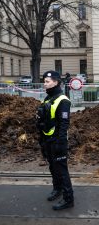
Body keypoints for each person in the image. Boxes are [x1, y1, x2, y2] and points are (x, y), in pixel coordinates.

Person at [36, 70, 74, 210]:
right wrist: (42, 139)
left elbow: (64, 125)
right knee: (53, 167)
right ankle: (57, 189)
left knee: (62, 170)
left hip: (58, 141)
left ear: (56, 82)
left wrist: (60, 143)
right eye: (44, 81)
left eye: (47, 81)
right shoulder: (48, 99)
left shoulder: (63, 101)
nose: (44, 84)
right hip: (48, 140)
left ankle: (68, 199)